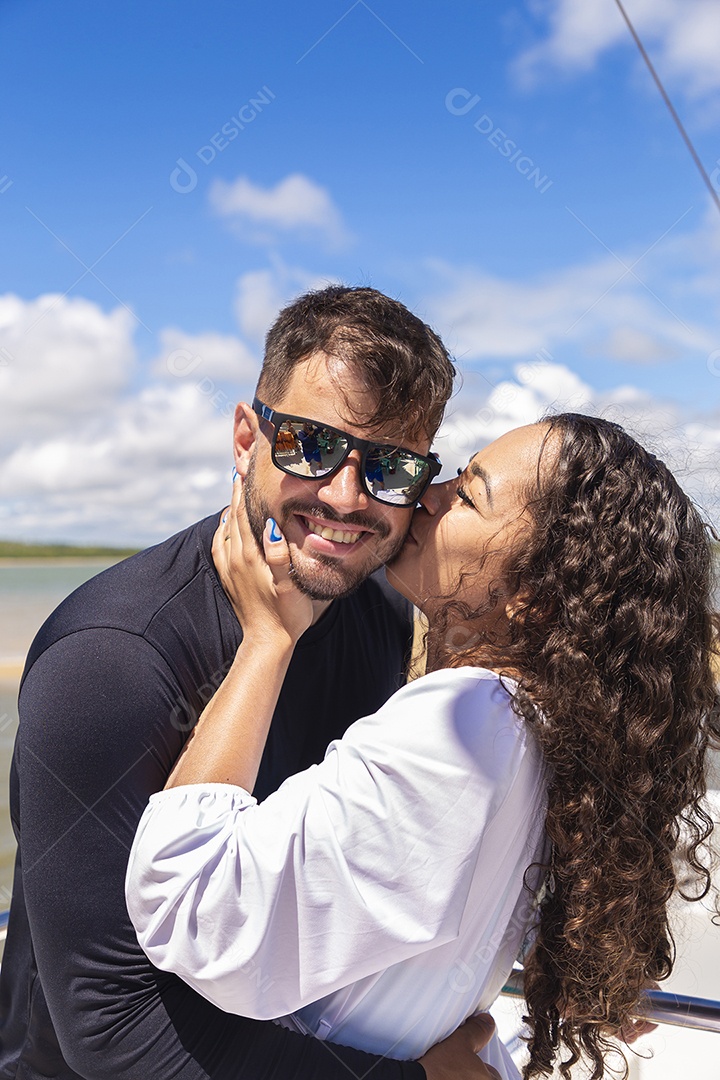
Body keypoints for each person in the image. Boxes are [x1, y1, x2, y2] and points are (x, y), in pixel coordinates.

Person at [0, 285, 503, 1080]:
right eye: (310, 445)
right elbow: (112, 1030)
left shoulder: (373, 608)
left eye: (391, 468)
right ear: (246, 438)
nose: (345, 496)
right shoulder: (110, 661)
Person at [126, 414, 719, 1080]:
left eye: (467, 496)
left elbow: (188, 902)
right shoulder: (543, 725)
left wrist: (266, 644)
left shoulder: (464, 721)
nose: (427, 495)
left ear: (536, 600)